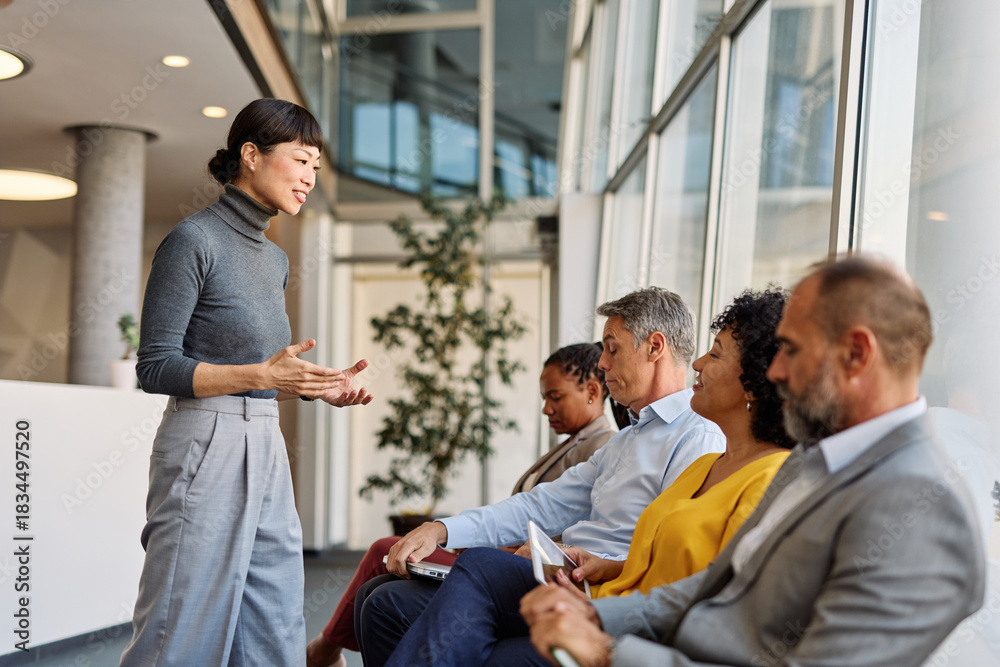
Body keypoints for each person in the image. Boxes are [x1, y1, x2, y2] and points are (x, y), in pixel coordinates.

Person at [522, 256, 986, 667]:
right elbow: (720, 583)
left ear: (857, 354)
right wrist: (595, 613)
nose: (775, 372)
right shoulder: (815, 457)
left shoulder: (925, 511)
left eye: (792, 350)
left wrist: (610, 655)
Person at [374, 288, 795, 667]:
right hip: (589, 586)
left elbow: (712, 588)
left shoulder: (705, 443)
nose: (601, 363)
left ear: (655, 347)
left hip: (610, 604)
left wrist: (599, 593)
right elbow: (544, 504)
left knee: (440, 592)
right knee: (389, 601)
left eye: (611, 349)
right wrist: (443, 528)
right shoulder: (643, 443)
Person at [119, 99, 372, 667]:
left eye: (317, 166)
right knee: (181, 624)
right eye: (301, 160)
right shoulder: (193, 241)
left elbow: (255, 371)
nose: (310, 177)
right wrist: (263, 373)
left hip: (265, 439)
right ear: (251, 155)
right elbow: (155, 367)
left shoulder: (275, 259)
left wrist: (308, 386)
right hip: (202, 444)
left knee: (275, 617)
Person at [306, 342, 618, 667]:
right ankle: (326, 649)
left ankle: (324, 650)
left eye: (555, 397)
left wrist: (489, 548)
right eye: (544, 398)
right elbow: (531, 508)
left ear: (593, 392)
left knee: (384, 560)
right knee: (381, 577)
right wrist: (459, 534)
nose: (546, 409)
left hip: (522, 566)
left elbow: (569, 532)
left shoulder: (602, 448)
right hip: (504, 556)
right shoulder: (577, 446)